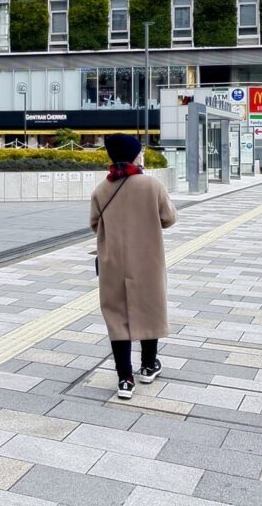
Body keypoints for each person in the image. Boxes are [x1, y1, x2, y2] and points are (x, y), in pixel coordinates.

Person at [90, 134, 177, 400]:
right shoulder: (152, 185)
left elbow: (95, 224)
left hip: (112, 262)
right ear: (135, 155)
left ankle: (124, 379)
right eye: (140, 152)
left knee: (117, 318)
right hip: (147, 261)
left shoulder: (102, 189)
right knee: (149, 308)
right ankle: (149, 366)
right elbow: (169, 218)